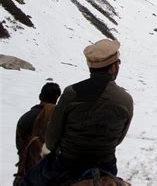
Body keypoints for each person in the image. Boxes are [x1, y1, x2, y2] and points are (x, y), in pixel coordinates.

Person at [22, 39, 134, 185]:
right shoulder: (125, 100)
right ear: (113, 68)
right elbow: (119, 138)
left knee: (26, 181)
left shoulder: (71, 93)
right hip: (106, 165)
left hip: (66, 164)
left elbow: (51, 139)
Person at [14, 82, 61, 185]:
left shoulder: (25, 118)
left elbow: (19, 147)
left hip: (24, 175)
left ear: (40, 96)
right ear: (57, 98)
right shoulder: (57, 119)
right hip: (47, 178)